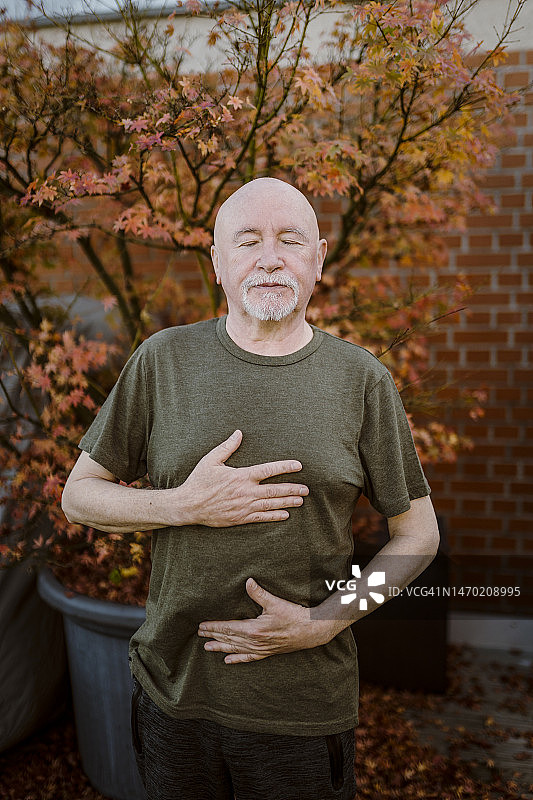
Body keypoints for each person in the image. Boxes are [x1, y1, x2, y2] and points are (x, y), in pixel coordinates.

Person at [61, 177, 440, 800]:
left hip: (301, 704)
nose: (270, 256)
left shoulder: (361, 380)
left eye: (290, 240)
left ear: (318, 259)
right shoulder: (163, 361)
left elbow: (418, 533)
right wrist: (183, 505)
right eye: (248, 240)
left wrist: (325, 620)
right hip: (175, 693)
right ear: (218, 262)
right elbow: (80, 494)